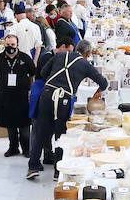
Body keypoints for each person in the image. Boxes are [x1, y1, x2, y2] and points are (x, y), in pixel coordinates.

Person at [27, 37, 108, 180]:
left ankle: (33, 166)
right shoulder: (85, 65)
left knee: (40, 131)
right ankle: (58, 170)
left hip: (47, 95)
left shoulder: (59, 55)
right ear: (88, 53)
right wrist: (97, 93)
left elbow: (44, 72)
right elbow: (104, 83)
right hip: (64, 99)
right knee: (61, 134)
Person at [0, 32, 37, 157]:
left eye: (13, 44)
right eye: (8, 44)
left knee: (24, 126)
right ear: (4, 44)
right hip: (5, 97)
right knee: (10, 125)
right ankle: (13, 147)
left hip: (22, 97)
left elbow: (33, 75)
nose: (10, 46)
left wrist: (31, 91)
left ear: (17, 45)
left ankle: (27, 149)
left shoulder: (25, 58)